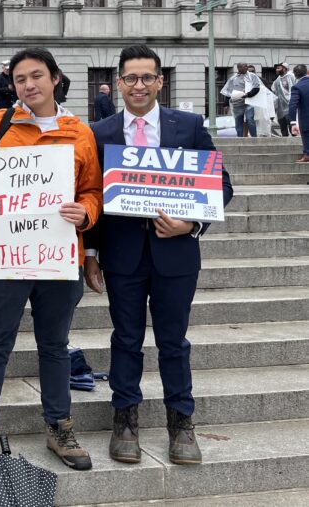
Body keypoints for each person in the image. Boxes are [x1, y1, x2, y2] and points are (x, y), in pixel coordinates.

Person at [85, 44, 234, 466]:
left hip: (177, 254)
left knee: (173, 342)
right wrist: (91, 254)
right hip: (122, 255)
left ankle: (181, 421)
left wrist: (193, 224)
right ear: (118, 83)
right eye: (130, 78)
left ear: (160, 81)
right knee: (126, 340)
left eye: (146, 77)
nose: (138, 85)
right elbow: (92, 195)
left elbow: (221, 184)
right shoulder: (100, 132)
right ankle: (125, 419)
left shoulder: (188, 126)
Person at [0, 47, 102, 471]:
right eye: (20, 79)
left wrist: (87, 211)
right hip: (3, 256)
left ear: (55, 78)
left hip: (60, 257)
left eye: (37, 76)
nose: (29, 85)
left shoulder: (80, 133)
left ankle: (59, 427)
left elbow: (92, 190)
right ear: (12, 85)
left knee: (54, 346)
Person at [220, 63, 261, 137]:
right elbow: (229, 92)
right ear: (238, 68)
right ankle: (240, 138)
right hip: (237, 103)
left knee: (249, 119)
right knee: (239, 122)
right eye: (244, 66)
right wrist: (226, 104)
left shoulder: (252, 76)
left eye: (246, 66)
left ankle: (254, 138)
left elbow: (257, 88)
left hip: (249, 102)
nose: (246, 68)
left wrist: (248, 94)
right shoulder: (233, 79)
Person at [290, 64, 309, 162]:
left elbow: (293, 105)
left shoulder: (297, 87)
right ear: (307, 71)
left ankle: (307, 154)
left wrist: (293, 122)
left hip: (306, 117)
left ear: (295, 75)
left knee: (306, 134)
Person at [271, 63, 294, 137]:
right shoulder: (277, 81)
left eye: (279, 68)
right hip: (281, 108)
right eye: (276, 68)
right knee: (283, 126)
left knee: (292, 125)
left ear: (284, 68)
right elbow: (273, 92)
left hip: (290, 105)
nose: (276, 70)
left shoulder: (291, 77)